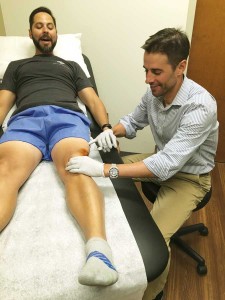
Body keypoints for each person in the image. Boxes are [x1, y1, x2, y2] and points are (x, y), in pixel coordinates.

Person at [66, 28, 219, 299]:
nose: (148, 79)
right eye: (145, 70)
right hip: (160, 159)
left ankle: (152, 295)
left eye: (156, 72)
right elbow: (134, 120)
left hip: (189, 178)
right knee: (104, 160)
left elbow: (167, 165)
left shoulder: (200, 106)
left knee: (155, 246)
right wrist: (110, 131)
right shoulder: (155, 91)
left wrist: (106, 170)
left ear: (181, 67)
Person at [0, 6, 118, 287]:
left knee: (77, 167)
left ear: (56, 32)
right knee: (5, 172)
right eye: (39, 26)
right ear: (30, 33)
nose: (45, 30)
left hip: (66, 119)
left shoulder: (71, 66)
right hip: (26, 121)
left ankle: (99, 254)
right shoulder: (16, 67)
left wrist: (105, 127)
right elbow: (3, 105)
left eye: (50, 26)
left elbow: (92, 101)